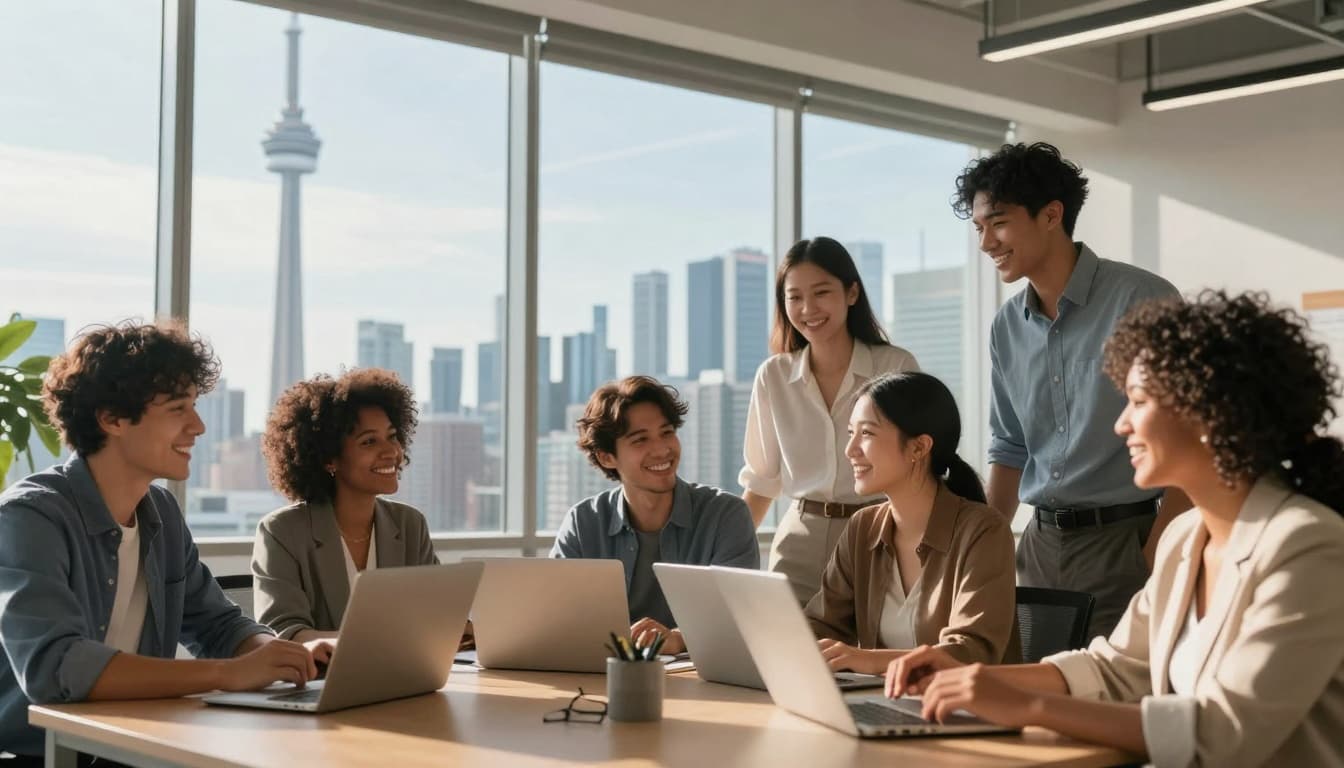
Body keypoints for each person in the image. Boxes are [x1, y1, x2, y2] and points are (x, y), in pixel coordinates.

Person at [886, 291, 1344, 767]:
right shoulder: (1185, 536)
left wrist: (1027, 706)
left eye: (1138, 402)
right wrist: (975, 677)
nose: (1122, 424)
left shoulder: (1308, 545)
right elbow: (1116, 668)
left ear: (1211, 414)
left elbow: (1222, 732)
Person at [0, 322, 328, 764]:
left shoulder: (161, 513)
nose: (198, 426)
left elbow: (218, 626)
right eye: (178, 409)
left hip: (129, 746)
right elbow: (57, 668)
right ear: (112, 418)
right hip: (40, 754)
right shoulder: (30, 517)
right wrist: (228, 674)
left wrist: (282, 653)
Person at [964, 142, 1189, 638]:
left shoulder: (1143, 299)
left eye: (998, 222)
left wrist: (1159, 549)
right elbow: (1009, 448)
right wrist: (984, 546)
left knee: (1108, 697)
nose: (986, 243)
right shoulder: (1006, 326)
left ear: (1051, 215)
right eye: (979, 227)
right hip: (1039, 546)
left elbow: (1191, 431)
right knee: (1037, 692)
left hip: (1126, 540)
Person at [740, 237, 919, 604]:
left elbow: (918, 468)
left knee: (866, 653)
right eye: (794, 297)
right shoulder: (773, 376)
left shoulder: (895, 367)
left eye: (822, 292)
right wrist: (720, 560)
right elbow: (761, 482)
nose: (808, 308)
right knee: (788, 650)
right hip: (799, 541)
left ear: (851, 293)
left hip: (878, 532)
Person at [805, 372, 1019, 675]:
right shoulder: (862, 528)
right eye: (850, 432)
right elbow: (822, 625)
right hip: (882, 705)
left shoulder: (984, 531)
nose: (850, 450)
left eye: (866, 434)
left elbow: (971, 650)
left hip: (964, 713)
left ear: (919, 448)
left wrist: (866, 659)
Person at [551, 376, 759, 654]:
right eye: (640, 440)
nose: (662, 449)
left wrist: (678, 639)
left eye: (667, 432)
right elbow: (555, 618)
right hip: (603, 677)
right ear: (607, 457)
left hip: (702, 680)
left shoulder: (726, 515)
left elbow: (739, 619)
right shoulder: (583, 522)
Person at [252, 368, 437, 643]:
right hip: (319, 682)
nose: (391, 452)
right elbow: (284, 632)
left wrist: (468, 627)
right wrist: (370, 644)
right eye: (369, 441)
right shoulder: (282, 531)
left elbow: (436, 613)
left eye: (393, 436)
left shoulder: (410, 524)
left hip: (408, 679)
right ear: (329, 458)